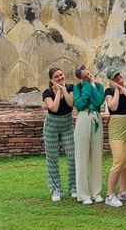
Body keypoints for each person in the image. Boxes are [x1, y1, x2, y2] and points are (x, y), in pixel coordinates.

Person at [103, 67, 126, 208]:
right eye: (115, 77)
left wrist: (122, 87)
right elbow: (113, 106)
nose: (119, 78)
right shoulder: (109, 91)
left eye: (119, 75)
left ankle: (123, 191)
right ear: (111, 80)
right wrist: (116, 90)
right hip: (117, 125)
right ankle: (110, 194)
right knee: (119, 159)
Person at [42, 67, 77, 202]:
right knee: (52, 159)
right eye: (57, 76)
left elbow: (71, 103)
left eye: (61, 75)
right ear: (51, 80)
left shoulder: (70, 88)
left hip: (67, 125)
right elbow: (54, 108)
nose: (60, 78)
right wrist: (57, 92)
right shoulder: (47, 93)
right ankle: (56, 190)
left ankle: (74, 187)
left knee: (72, 156)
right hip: (52, 125)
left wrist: (63, 89)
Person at [73, 65, 106, 205]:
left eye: (89, 74)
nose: (88, 76)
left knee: (96, 155)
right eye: (85, 76)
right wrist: (87, 89)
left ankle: (96, 192)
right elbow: (79, 104)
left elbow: (99, 101)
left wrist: (91, 86)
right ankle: (83, 194)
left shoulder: (99, 86)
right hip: (83, 117)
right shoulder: (78, 88)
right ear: (81, 78)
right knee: (81, 156)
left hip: (96, 118)